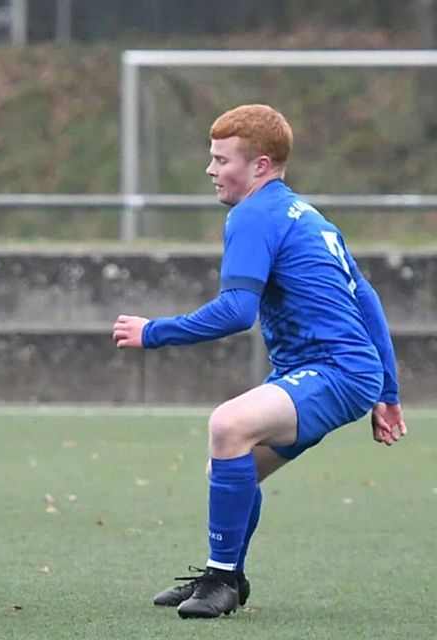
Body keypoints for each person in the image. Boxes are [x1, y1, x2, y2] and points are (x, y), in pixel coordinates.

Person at [111, 104, 406, 619]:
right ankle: (227, 573)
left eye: (222, 159)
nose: (211, 170)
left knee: (227, 425)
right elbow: (367, 298)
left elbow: (235, 312)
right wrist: (388, 390)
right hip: (340, 370)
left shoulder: (252, 215)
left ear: (261, 165)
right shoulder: (306, 214)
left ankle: (222, 579)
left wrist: (153, 332)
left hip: (335, 369)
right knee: (229, 462)